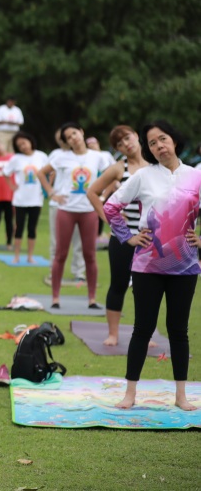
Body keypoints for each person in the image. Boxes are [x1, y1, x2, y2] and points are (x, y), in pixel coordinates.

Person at [103, 120, 200, 411]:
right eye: (152, 143)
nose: (158, 146)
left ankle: (181, 396)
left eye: (162, 139)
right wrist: (129, 237)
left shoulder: (195, 176)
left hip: (185, 266)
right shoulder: (144, 176)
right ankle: (130, 394)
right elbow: (111, 206)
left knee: (178, 330)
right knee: (142, 329)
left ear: (174, 140)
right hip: (147, 265)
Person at [87, 125, 148, 347]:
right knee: (119, 284)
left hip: (150, 236)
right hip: (122, 235)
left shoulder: (155, 165)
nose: (126, 144)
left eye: (127, 138)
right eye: (119, 144)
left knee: (147, 286)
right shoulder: (117, 168)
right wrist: (107, 217)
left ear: (136, 135)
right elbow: (92, 192)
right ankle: (113, 334)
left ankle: (146, 333)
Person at [39, 122, 110, 308]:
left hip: (88, 211)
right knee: (60, 254)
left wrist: (103, 196)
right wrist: (52, 193)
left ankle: (92, 299)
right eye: (68, 137)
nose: (73, 138)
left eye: (74, 134)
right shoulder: (62, 157)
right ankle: (55, 298)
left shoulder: (97, 157)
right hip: (66, 210)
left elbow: (113, 176)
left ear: (81, 132)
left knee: (90, 255)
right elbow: (41, 173)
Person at [45, 127, 86, 285]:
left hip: (80, 204)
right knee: (56, 241)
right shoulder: (56, 155)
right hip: (59, 204)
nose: (67, 139)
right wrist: (51, 192)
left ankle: (79, 272)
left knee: (79, 241)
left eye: (70, 135)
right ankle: (53, 271)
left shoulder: (85, 156)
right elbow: (46, 174)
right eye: (64, 137)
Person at [3, 132, 48, 264]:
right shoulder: (16, 159)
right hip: (20, 199)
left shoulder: (41, 156)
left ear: (30, 141)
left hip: (36, 199)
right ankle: (16, 256)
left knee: (32, 228)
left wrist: (48, 187)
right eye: (19, 145)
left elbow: (50, 172)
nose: (23, 146)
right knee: (19, 227)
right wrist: (12, 186)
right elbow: (6, 173)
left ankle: (30, 256)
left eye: (24, 142)